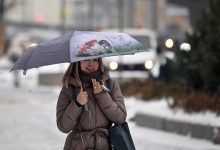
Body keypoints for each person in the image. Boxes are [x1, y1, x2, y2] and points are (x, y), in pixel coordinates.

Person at [56, 58, 127, 150]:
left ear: (100, 62)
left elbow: (120, 118)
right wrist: (77, 104)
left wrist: (102, 95)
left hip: (105, 146)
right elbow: (63, 126)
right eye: (85, 59)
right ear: (77, 62)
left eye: (95, 60)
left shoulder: (110, 85)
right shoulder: (69, 88)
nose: (91, 64)